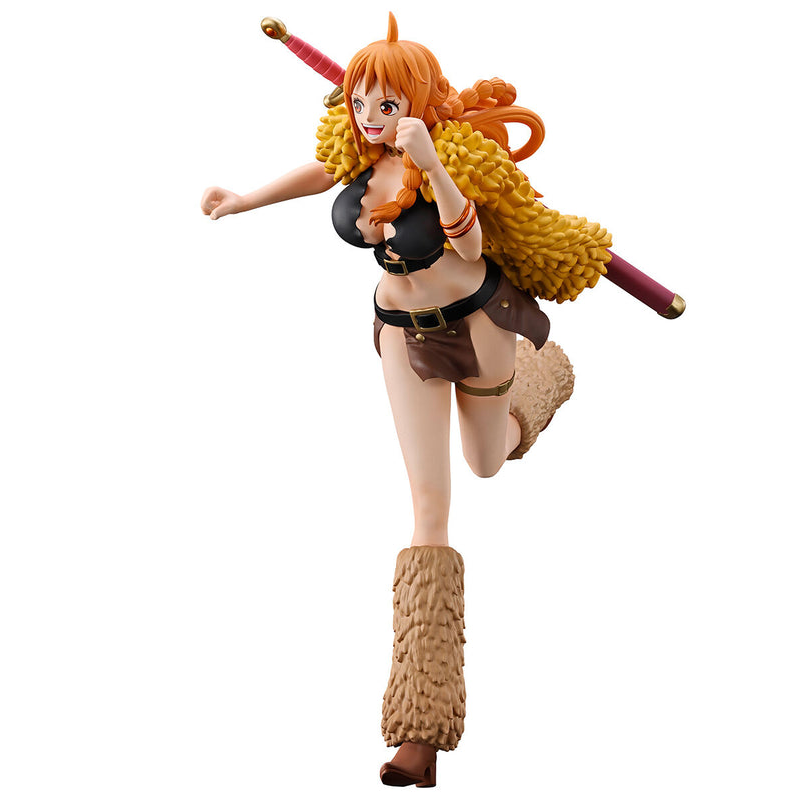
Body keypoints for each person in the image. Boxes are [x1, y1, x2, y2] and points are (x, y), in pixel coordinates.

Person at [201, 13, 610, 788]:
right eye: (361, 101)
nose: (368, 116)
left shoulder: (457, 154)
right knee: (429, 506)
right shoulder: (358, 150)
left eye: (385, 104)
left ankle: (539, 379)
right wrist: (244, 200)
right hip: (402, 335)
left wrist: (432, 164)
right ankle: (421, 726)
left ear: (417, 101)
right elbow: (322, 174)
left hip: (480, 323)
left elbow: (470, 245)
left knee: (485, 462)